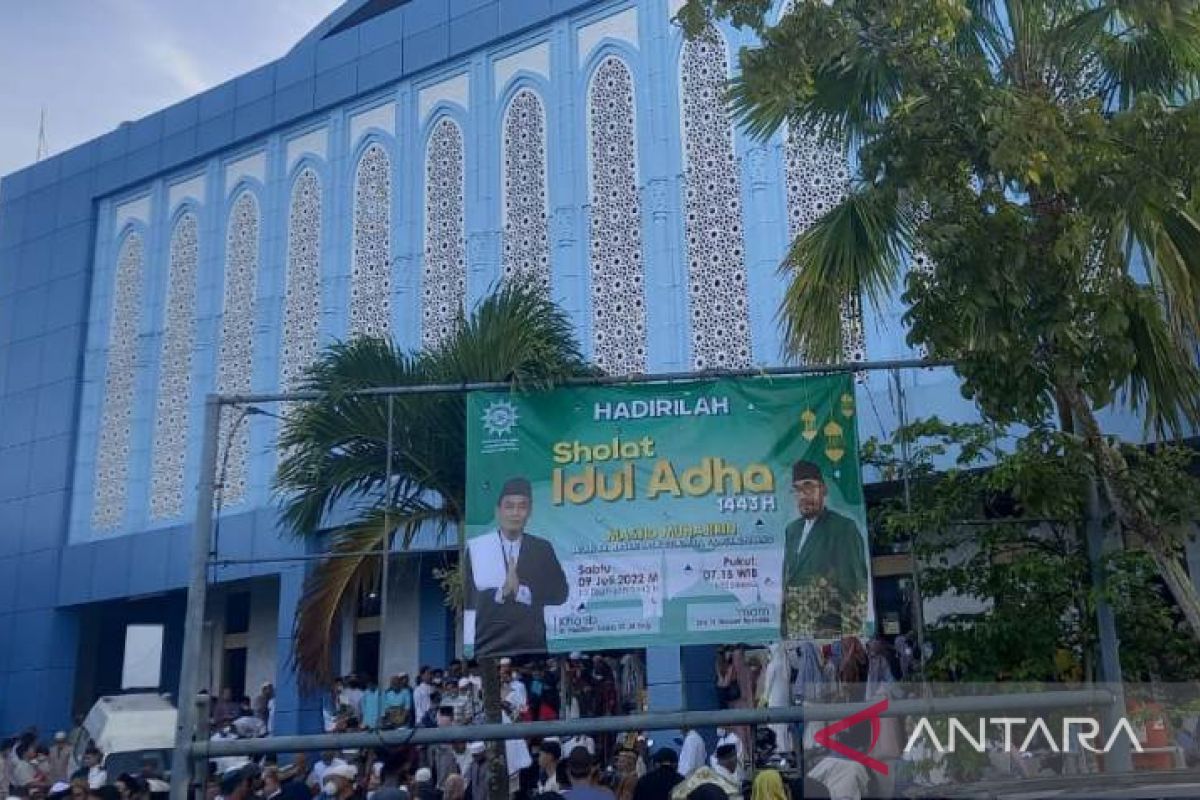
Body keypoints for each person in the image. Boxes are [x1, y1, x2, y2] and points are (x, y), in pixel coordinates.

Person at [464, 477, 569, 656]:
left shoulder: (542, 548)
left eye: (522, 506)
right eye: (509, 506)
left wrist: (522, 591)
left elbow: (560, 593)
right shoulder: (479, 548)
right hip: (489, 643)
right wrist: (502, 592)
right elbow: (469, 597)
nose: (515, 513)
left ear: (530, 512)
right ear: (498, 511)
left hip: (532, 643)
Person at [782, 460, 868, 639]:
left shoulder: (843, 528)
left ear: (824, 489)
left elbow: (854, 586)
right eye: (797, 490)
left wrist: (851, 641)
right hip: (796, 636)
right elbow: (787, 582)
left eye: (809, 487)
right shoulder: (792, 530)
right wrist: (784, 634)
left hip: (831, 637)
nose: (803, 495)